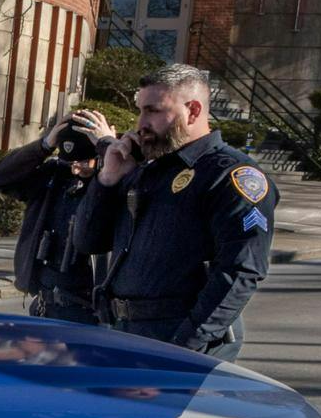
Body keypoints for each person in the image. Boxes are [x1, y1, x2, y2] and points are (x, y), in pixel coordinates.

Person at [72, 63, 276, 359]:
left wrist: (184, 348)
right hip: (125, 331)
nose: (141, 124)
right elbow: (88, 242)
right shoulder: (147, 169)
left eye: (153, 111)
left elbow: (240, 272)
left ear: (192, 111)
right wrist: (108, 178)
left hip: (181, 340)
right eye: (140, 111)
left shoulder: (230, 175)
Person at [0, 108, 116, 323]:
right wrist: (44, 145)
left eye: (84, 163)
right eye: (71, 163)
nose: (76, 170)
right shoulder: (54, 176)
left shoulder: (112, 183)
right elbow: (0, 178)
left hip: (92, 312)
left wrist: (108, 147)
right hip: (46, 306)